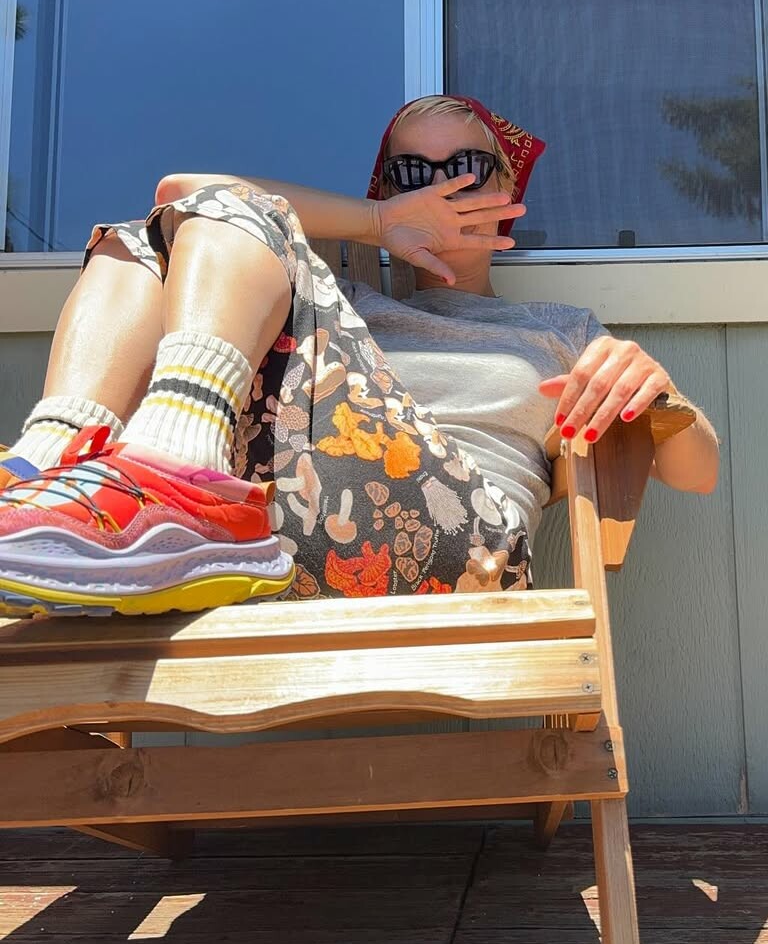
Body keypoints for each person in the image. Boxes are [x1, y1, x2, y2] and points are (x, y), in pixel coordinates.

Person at [0, 95, 720, 617]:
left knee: (227, 218)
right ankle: (43, 469)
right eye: (412, 176)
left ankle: (165, 478)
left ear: (507, 188)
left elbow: (699, 471)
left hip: (462, 554)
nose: (443, 191)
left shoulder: (555, 329)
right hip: (275, 536)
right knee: (136, 242)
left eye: (468, 168)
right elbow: (185, 195)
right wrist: (377, 224)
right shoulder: (331, 305)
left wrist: (656, 391)